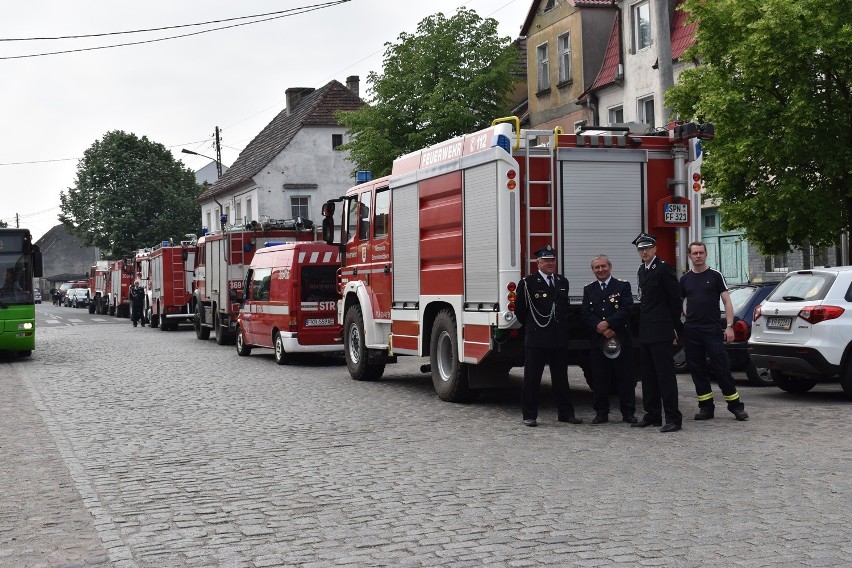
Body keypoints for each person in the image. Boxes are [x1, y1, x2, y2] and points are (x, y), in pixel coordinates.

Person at [679, 242, 749, 422]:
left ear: (706, 254)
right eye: (695, 253)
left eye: (701, 252)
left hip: (712, 329)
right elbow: (679, 303)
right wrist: (682, 321)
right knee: (697, 370)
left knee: (722, 368)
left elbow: (727, 302)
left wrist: (730, 326)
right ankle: (706, 408)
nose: (698, 256)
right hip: (692, 330)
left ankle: (736, 407)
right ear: (690, 256)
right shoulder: (685, 279)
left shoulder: (715, 276)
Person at [514, 245, 582, 427]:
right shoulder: (528, 283)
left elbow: (563, 309)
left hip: (558, 338)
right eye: (546, 260)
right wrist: (533, 327)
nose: (550, 263)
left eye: (552, 260)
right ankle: (529, 415)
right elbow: (520, 311)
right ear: (538, 262)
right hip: (537, 337)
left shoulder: (562, 282)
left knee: (561, 378)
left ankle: (566, 413)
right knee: (532, 378)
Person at [631, 233, 684, 433]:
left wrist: (672, 325)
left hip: (661, 329)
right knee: (648, 375)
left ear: (655, 248)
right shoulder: (642, 270)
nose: (644, 252)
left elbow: (674, 300)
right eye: (640, 249)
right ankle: (652, 414)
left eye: (647, 248)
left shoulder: (664, 269)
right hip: (646, 328)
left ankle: (673, 418)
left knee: (665, 375)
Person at [580, 255, 636, 424]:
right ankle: (601, 413)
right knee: (599, 377)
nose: (600, 270)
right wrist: (599, 326)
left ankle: (628, 413)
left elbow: (627, 308)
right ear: (593, 270)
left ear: (610, 267)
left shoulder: (622, 286)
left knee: (625, 378)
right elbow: (585, 313)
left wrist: (609, 323)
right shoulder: (589, 289)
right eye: (596, 267)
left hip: (620, 337)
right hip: (599, 339)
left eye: (603, 266)